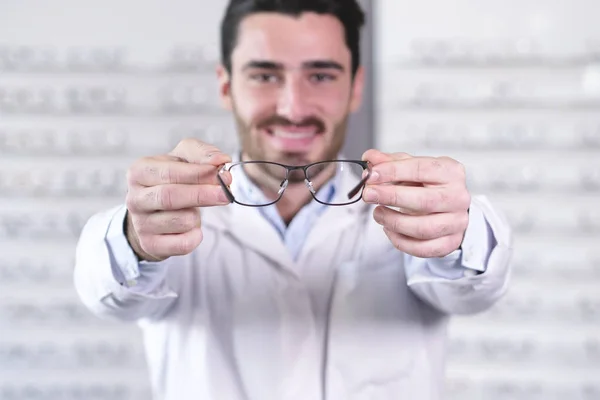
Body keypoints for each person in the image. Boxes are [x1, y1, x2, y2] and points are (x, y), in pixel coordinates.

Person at [73, 0, 512, 399]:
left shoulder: (405, 206)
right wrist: (134, 239)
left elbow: (473, 291)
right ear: (225, 85)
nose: (294, 106)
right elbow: (109, 293)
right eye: (265, 75)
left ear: (355, 86)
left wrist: (460, 232)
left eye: (320, 75)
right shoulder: (173, 218)